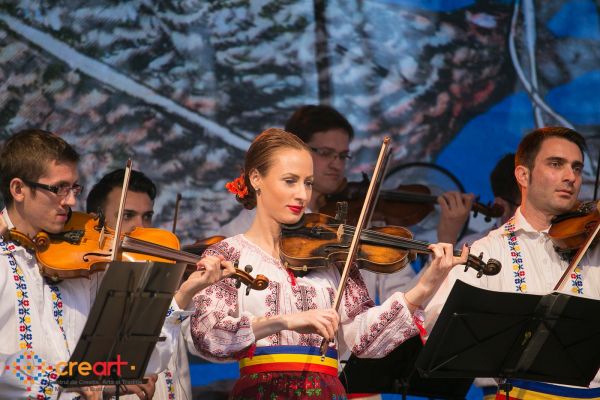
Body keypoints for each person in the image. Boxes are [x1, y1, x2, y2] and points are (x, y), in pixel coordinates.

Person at [186, 127, 469, 398]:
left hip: (327, 391)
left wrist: (426, 285)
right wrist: (284, 321)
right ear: (256, 178)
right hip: (262, 393)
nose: (302, 194)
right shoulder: (228, 254)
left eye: (308, 183)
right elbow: (208, 337)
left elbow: (365, 341)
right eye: (290, 181)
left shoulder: (331, 259)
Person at [0, 129, 234, 399]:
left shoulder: (83, 265)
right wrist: (63, 379)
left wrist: (183, 294)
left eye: (74, 188)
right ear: (18, 189)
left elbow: (133, 362)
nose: (71, 201)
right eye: (58, 189)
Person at [426, 127, 600, 398]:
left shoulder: (594, 243)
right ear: (523, 175)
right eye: (556, 164)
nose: (571, 177)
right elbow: (437, 324)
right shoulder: (487, 251)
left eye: (576, 168)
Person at [86, 169, 192, 400]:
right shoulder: (84, 286)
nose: (140, 227)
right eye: (127, 216)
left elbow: (198, 342)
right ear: (96, 222)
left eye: (147, 216)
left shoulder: (163, 272)